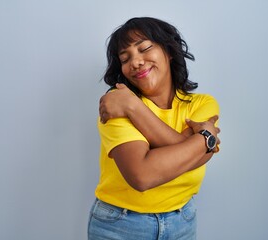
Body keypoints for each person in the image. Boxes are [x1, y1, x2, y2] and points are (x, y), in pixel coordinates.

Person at [88, 17, 221, 240]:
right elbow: (142, 175)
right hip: (120, 225)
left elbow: (199, 156)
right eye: (125, 58)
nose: (136, 62)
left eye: (145, 48)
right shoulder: (116, 102)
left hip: (182, 221)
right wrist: (205, 139)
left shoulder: (203, 104)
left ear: (169, 51)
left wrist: (133, 108)